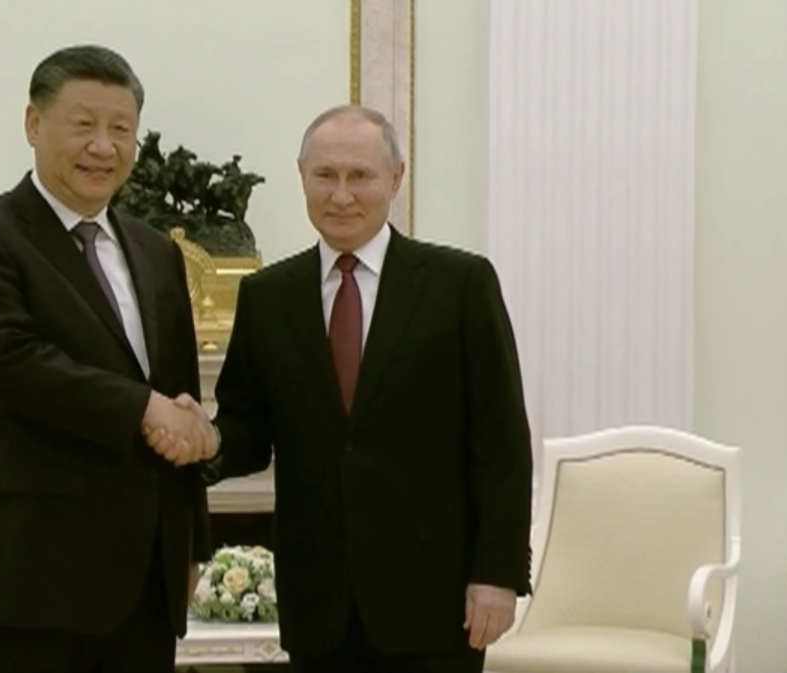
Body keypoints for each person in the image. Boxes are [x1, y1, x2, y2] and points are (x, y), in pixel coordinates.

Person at [145, 105, 534, 673]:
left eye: (360, 176)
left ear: (395, 178)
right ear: (302, 178)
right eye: (325, 175)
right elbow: (248, 429)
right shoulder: (267, 296)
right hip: (318, 603)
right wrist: (206, 439)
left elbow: (501, 442)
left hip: (435, 601)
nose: (342, 195)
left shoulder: (460, 286)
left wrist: (497, 574)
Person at [0, 44, 217, 673]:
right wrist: (143, 408)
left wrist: (190, 544)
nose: (103, 146)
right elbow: (13, 367)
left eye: (121, 129)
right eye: (83, 124)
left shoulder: (157, 252)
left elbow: (180, 399)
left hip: (145, 588)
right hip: (32, 584)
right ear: (34, 124)